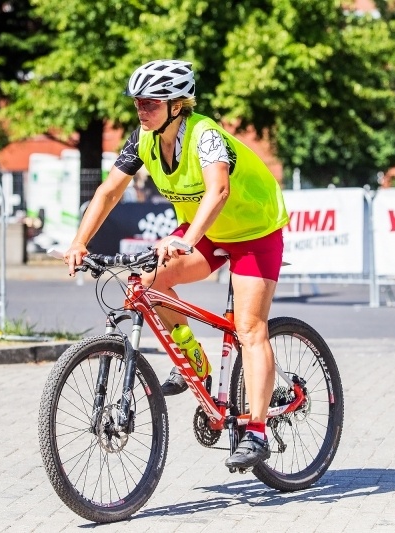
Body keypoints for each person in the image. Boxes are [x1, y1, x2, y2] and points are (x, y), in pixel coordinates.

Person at [62, 59, 289, 469]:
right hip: (210, 230)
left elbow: (218, 191)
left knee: (249, 329)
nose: (140, 109)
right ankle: (194, 362)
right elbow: (109, 191)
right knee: (146, 280)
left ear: (177, 105)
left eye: (150, 102)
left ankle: (256, 431)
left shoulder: (205, 136)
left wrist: (185, 238)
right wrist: (79, 242)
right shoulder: (143, 139)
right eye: (137, 102)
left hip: (254, 229)